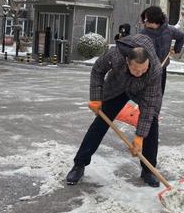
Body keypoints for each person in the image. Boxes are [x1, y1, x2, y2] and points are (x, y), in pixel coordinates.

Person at [66, 34, 163, 188]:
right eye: (136, 70)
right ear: (127, 62)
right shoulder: (115, 55)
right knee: (101, 123)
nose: (140, 73)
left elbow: (150, 105)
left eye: (143, 69)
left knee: (151, 124)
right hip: (117, 87)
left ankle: (148, 170)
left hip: (143, 91)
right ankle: (79, 164)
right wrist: (95, 98)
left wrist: (139, 137)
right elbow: (97, 70)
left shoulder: (154, 70)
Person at [139, 6, 184, 94]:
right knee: (145, 94)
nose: (144, 22)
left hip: (162, 68)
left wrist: (176, 49)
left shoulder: (169, 30)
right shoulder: (143, 34)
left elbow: (181, 37)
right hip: (146, 70)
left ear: (153, 20)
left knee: (160, 93)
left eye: (146, 19)